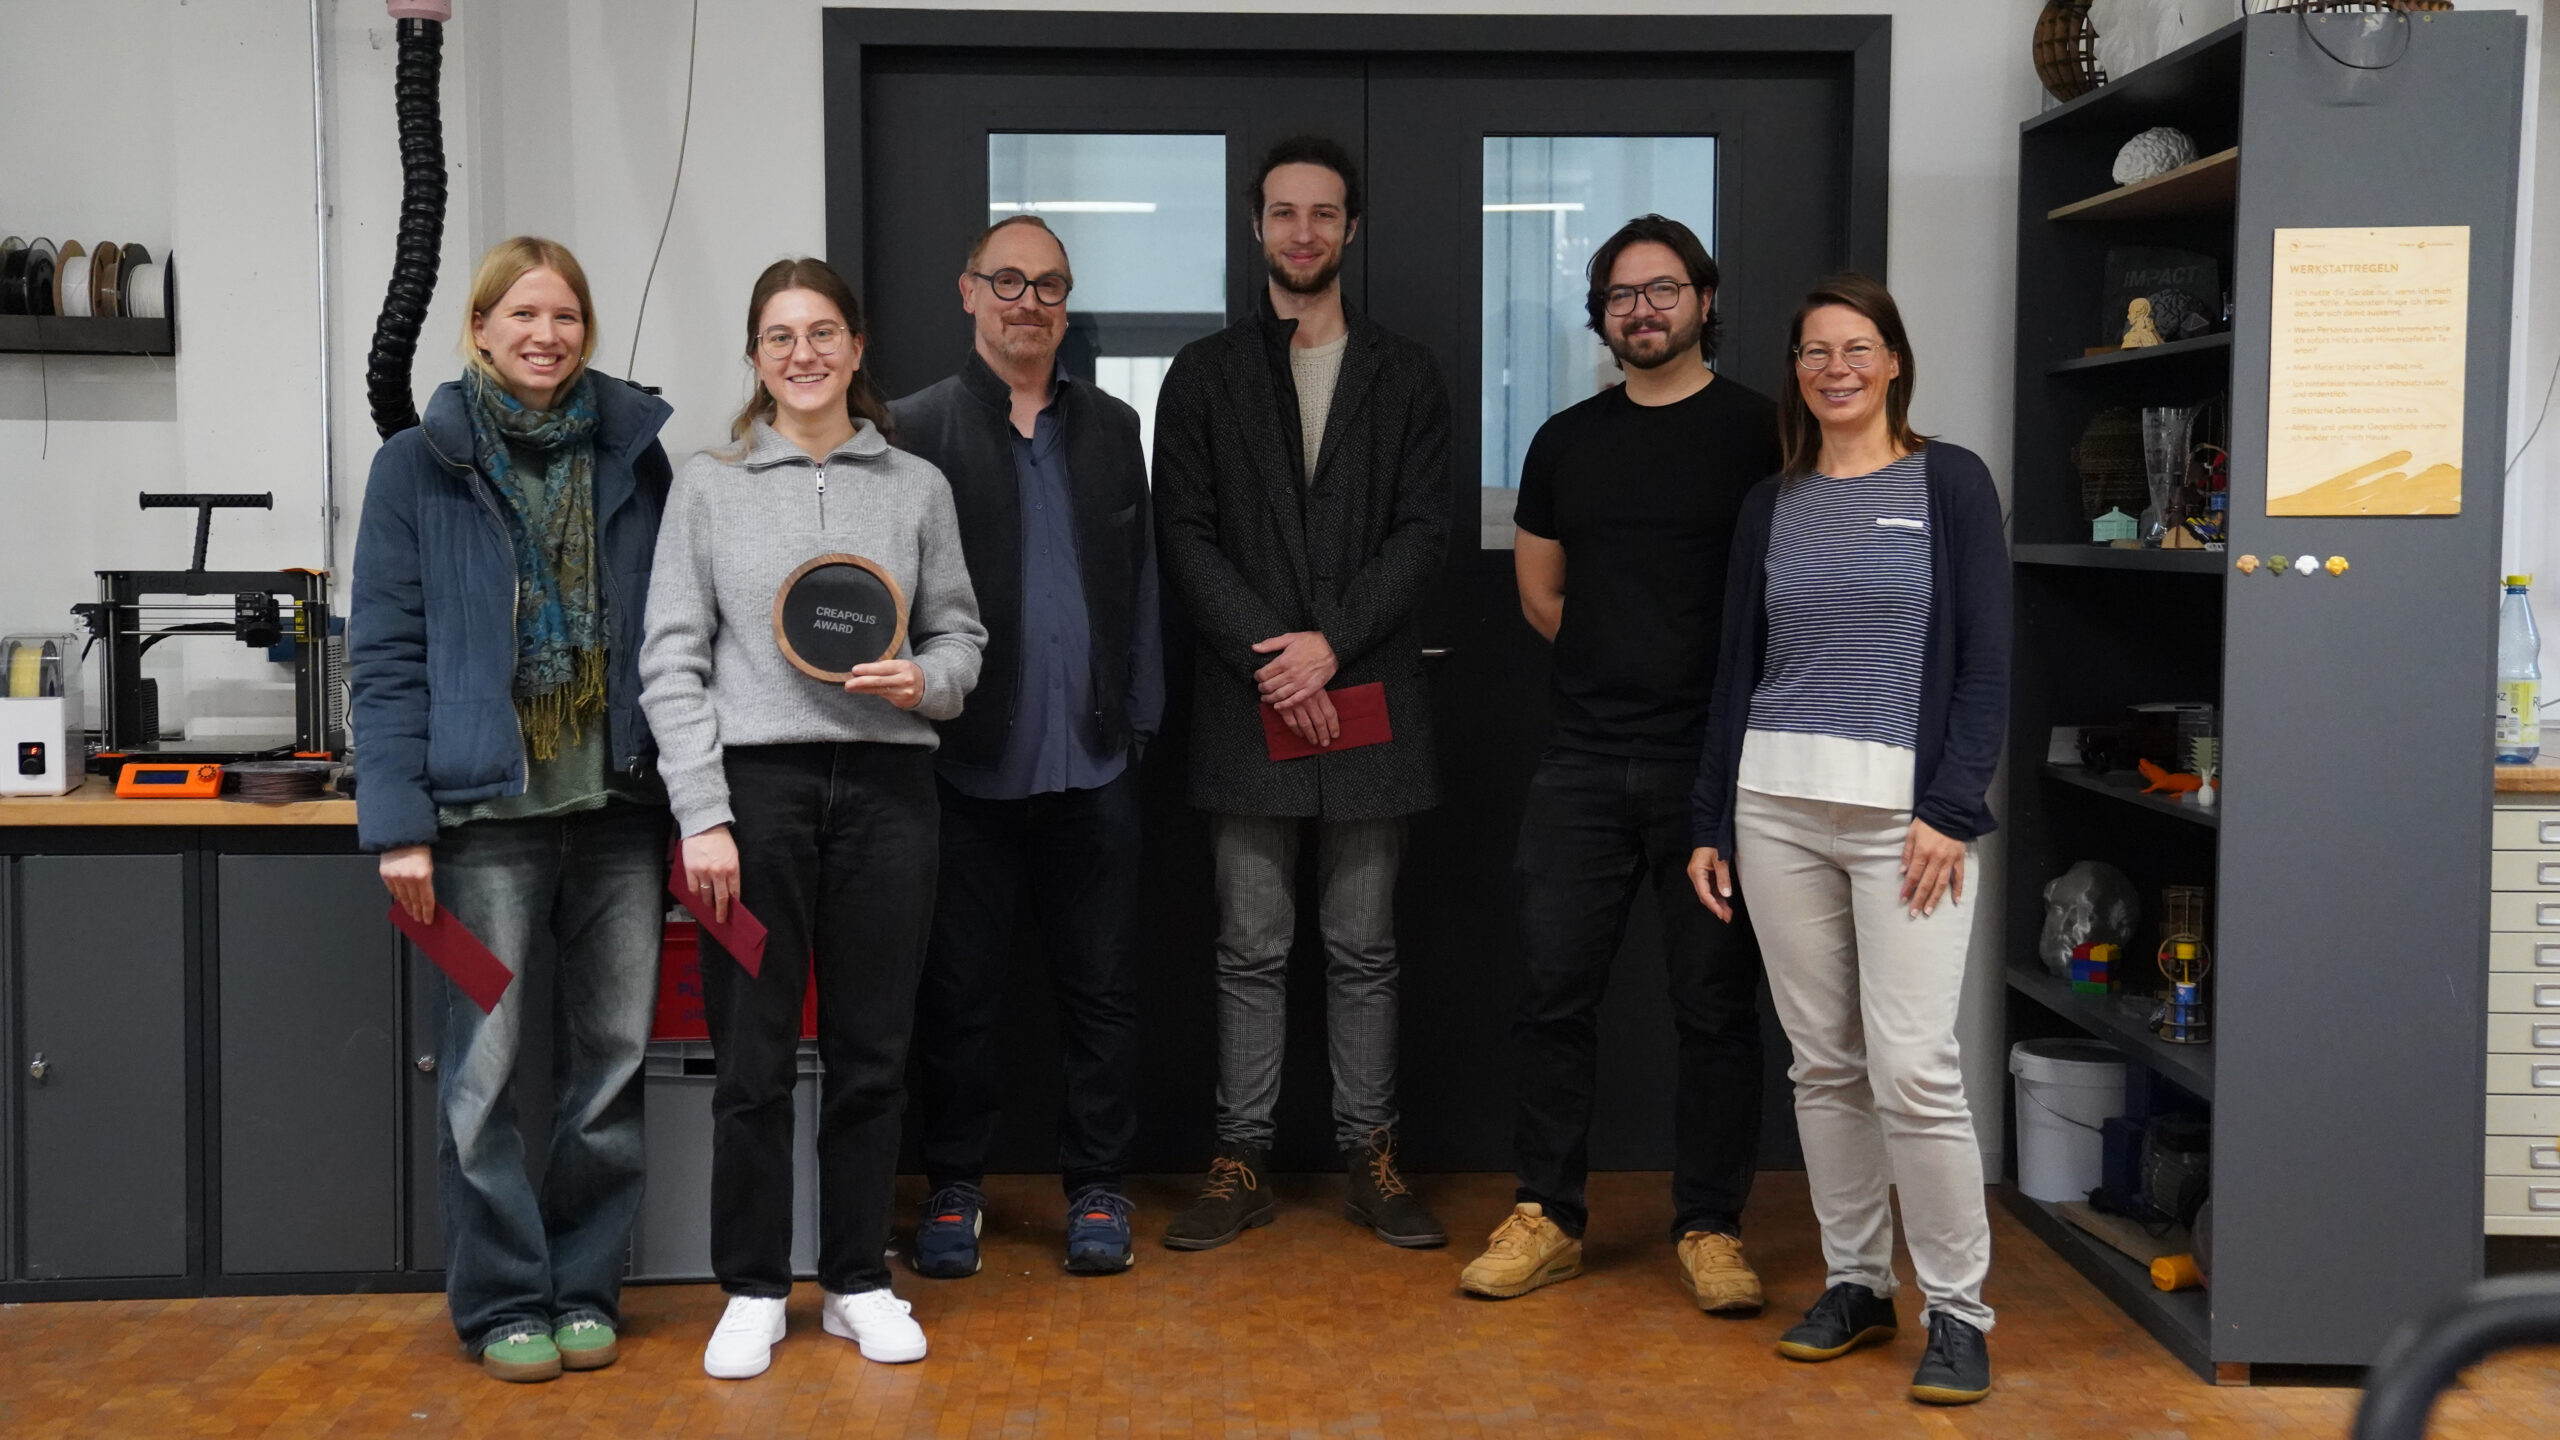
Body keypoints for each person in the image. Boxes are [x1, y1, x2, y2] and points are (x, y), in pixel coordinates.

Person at [640, 257, 986, 1379]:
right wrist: (702, 812)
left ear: (855, 348)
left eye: (823, 331)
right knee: (751, 1056)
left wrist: (920, 685)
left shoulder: (916, 488)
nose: (803, 353)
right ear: (755, 357)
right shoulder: (709, 483)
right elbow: (671, 661)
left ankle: (855, 1280)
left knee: (873, 1052)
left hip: (890, 795)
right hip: (754, 798)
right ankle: (749, 1286)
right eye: (780, 335)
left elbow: (960, 642)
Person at [351, 236, 673, 1384]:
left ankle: (585, 1286)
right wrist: (397, 824)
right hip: (483, 823)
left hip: (622, 812)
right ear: (480, 329)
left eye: (567, 318)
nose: (546, 335)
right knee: (483, 1074)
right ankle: (499, 1303)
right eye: (523, 315)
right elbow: (383, 657)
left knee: (612, 1065)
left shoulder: (636, 454)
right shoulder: (416, 466)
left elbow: (672, 637)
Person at [1686, 274, 2009, 1406]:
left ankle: (1959, 1312)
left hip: (1906, 819)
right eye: (1815, 351)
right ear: (1797, 370)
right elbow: (1739, 670)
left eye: (1856, 347)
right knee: (1821, 1065)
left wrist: (1952, 807)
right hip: (1775, 803)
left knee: (1914, 1071)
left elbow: (1984, 661)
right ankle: (1859, 1283)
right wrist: (1710, 818)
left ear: (1894, 362)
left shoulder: (1949, 483)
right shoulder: (1771, 504)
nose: (1835, 368)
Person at [1459, 216, 1777, 1313]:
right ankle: (1546, 1214)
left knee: (1714, 1007)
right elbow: (1543, 599)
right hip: (1584, 762)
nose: (1642, 310)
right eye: (1620, 296)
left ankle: (1710, 1227)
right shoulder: (1564, 442)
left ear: (1702, 298)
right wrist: (1619, 666)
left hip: (1715, 772)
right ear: (1600, 316)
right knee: (1552, 999)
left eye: (1662, 290)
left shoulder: (1763, 434)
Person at [1153, 134, 1451, 1253]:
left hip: (1369, 694)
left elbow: (1424, 534)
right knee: (1248, 944)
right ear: (1256, 226)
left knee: (1366, 945)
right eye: (1283, 214)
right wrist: (1275, 658)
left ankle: (1372, 1158)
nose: (1303, 233)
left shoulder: (1406, 373)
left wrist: (1326, 646)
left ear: (1351, 229)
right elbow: (1183, 539)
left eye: (1323, 214)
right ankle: (1242, 1162)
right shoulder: (1203, 374)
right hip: (1248, 701)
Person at [890, 214, 1162, 1278]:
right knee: (958, 994)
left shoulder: (1113, 428)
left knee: (1102, 991)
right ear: (968, 293)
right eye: (1007, 281)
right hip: (965, 767)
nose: (1028, 303)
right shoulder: (913, 431)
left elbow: (1139, 588)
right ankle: (954, 1187)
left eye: (1048, 286)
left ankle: (1098, 1191)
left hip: (1095, 764)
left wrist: (1140, 717)